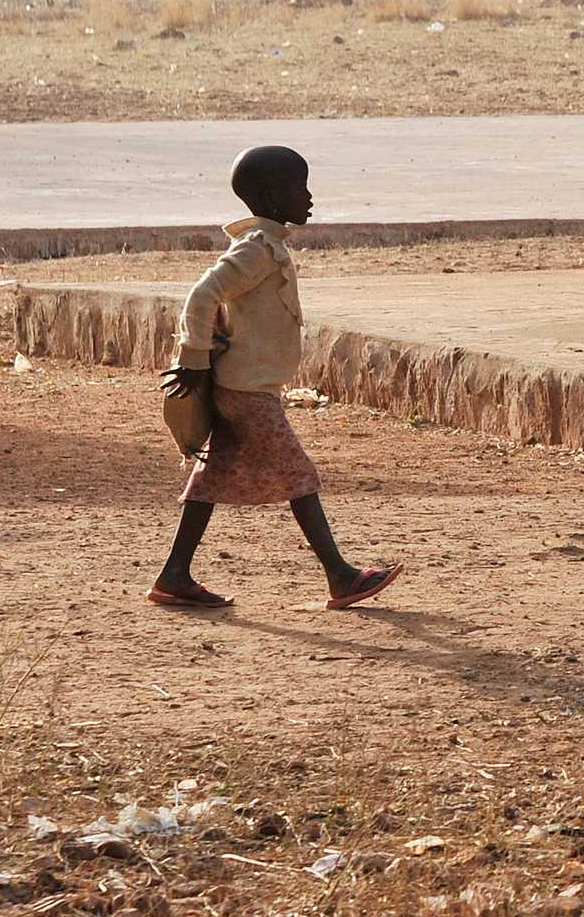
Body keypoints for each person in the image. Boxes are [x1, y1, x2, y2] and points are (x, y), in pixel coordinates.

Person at [150, 144, 400, 611]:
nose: (309, 197)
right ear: (270, 195)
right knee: (298, 475)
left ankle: (174, 574)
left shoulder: (266, 245)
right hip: (246, 390)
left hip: (247, 384)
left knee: (210, 480)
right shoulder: (258, 250)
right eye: (299, 188)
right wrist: (193, 358)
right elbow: (202, 295)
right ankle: (340, 575)